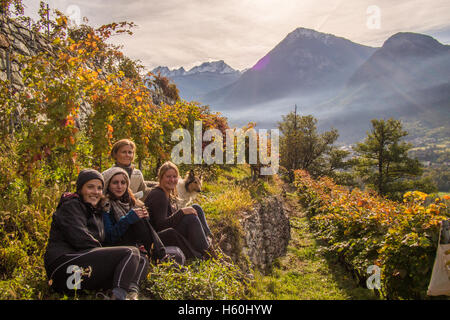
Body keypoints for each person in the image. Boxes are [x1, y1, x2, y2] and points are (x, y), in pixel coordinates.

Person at [43, 169, 149, 300]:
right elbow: (80, 239)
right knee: (130, 253)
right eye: (90, 187)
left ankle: (132, 294)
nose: (95, 192)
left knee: (140, 259)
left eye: (99, 188)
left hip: (84, 268)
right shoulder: (71, 205)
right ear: (80, 189)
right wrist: (110, 255)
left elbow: (104, 241)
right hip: (64, 268)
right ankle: (119, 296)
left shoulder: (96, 211)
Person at [101, 167, 186, 265]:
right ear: (108, 185)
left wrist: (146, 216)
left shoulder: (129, 201)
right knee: (137, 219)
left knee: (141, 218)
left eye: (123, 183)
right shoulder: (106, 205)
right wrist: (129, 218)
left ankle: (159, 255)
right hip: (117, 244)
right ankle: (162, 257)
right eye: (115, 183)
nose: (119, 186)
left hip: (135, 242)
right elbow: (110, 237)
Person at [144, 161, 215, 260]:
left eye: (174, 177)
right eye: (168, 177)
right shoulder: (159, 195)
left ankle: (209, 238)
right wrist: (182, 212)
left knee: (196, 208)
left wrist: (183, 212)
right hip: (159, 237)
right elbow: (161, 226)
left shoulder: (168, 193)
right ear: (161, 177)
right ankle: (207, 252)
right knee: (190, 218)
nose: (172, 180)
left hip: (168, 229)